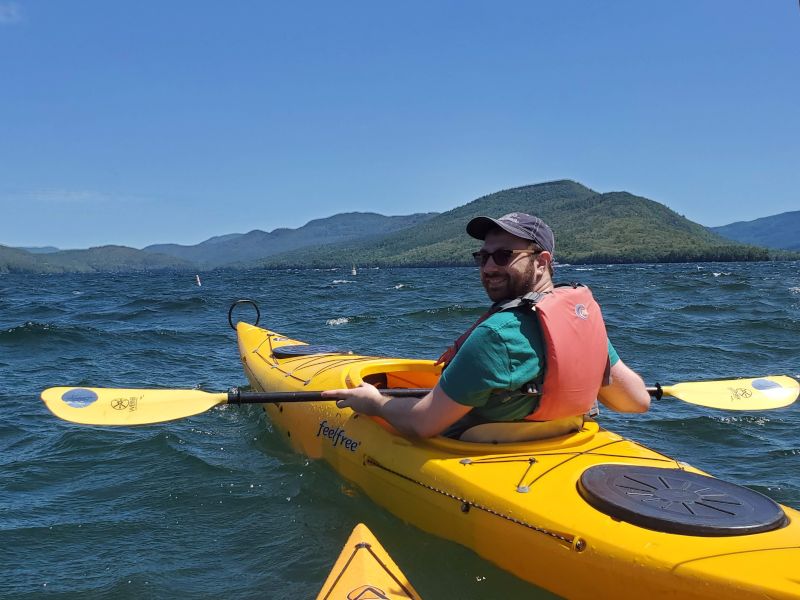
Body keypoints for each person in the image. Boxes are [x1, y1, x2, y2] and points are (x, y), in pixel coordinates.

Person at [321, 212, 650, 438]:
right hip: (561, 440)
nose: (489, 267)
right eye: (483, 257)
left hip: (486, 451)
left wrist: (374, 402)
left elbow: (422, 423)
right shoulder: (580, 323)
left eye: (504, 256)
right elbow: (635, 401)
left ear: (542, 262)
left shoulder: (495, 337)